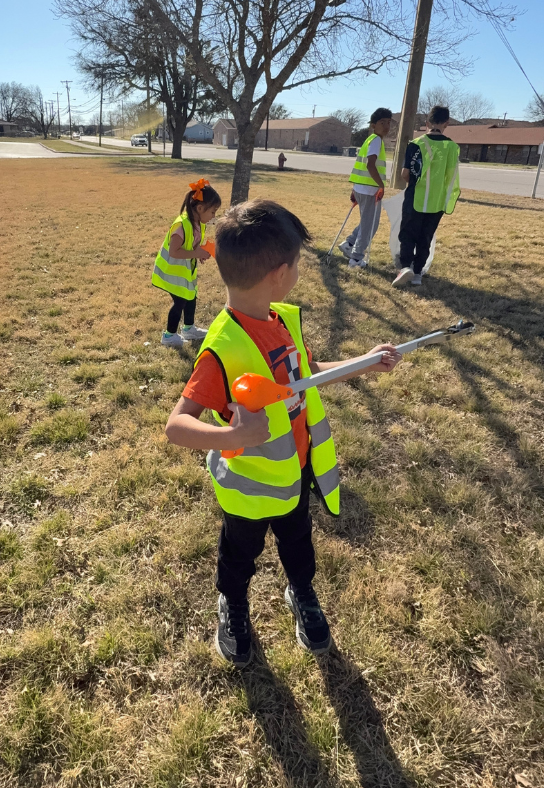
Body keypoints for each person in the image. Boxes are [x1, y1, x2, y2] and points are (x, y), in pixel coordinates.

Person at [165, 200, 402, 667]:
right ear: (278, 272)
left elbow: (308, 374)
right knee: (240, 553)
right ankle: (232, 605)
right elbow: (177, 426)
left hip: (295, 472)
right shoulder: (221, 348)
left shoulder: (285, 321)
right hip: (249, 488)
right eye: (297, 264)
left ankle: (302, 592)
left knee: (298, 543)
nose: (298, 272)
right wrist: (234, 437)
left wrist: (363, 364)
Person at [393, 105, 461, 287]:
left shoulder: (416, 144)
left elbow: (405, 174)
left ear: (427, 122)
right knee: (426, 237)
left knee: (408, 233)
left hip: (416, 197)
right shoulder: (452, 147)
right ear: (447, 123)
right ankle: (417, 274)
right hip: (437, 201)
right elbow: (450, 176)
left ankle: (405, 266)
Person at [152, 179, 222, 347]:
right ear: (199, 208)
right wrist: (195, 252)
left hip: (184, 270)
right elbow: (174, 251)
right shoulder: (181, 225)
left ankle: (189, 328)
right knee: (180, 301)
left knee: (191, 296)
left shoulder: (198, 223)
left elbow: (192, 244)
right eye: (212, 212)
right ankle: (169, 336)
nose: (213, 216)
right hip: (172, 271)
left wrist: (199, 252)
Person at [339, 108, 393, 268]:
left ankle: (349, 243)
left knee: (366, 222)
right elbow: (370, 165)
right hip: (370, 190)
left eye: (389, 123)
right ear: (373, 125)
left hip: (361, 189)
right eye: (382, 123)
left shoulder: (370, 140)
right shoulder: (376, 140)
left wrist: (355, 189)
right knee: (370, 226)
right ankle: (355, 259)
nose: (386, 126)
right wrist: (381, 185)